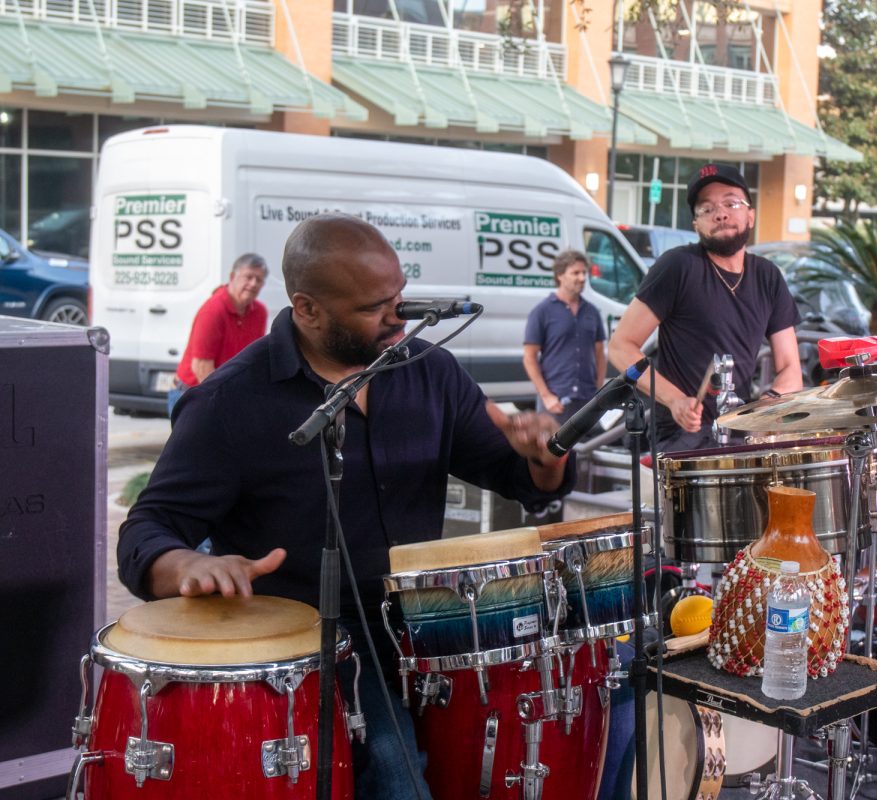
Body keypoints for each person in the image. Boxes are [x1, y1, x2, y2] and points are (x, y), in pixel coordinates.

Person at [118, 213, 573, 799]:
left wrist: (544, 454)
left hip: (430, 628)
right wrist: (186, 566)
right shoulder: (229, 403)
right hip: (319, 653)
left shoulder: (429, 371)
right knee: (398, 781)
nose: (398, 316)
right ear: (307, 309)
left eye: (400, 296)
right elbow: (146, 530)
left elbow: (524, 479)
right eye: (374, 306)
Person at [608, 163, 803, 452]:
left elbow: (791, 369)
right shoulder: (678, 267)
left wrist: (765, 408)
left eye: (731, 203)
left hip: (738, 431)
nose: (720, 213)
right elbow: (620, 348)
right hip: (680, 438)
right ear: (696, 225)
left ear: (750, 215)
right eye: (706, 209)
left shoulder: (768, 276)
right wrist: (674, 399)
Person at [167, 253, 269, 417]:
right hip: (194, 395)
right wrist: (226, 406)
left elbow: (254, 359)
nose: (253, 284)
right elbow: (201, 368)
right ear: (232, 276)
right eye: (248, 277)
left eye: (259, 280)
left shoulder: (260, 312)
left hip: (227, 394)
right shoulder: (214, 310)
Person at [523, 249, 607, 425]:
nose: (582, 278)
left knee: (588, 451)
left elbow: (600, 354)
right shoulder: (542, 311)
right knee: (552, 451)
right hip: (556, 401)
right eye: (575, 273)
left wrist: (598, 393)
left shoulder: (592, 312)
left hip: (586, 400)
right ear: (560, 275)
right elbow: (529, 357)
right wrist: (546, 396)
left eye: (584, 273)